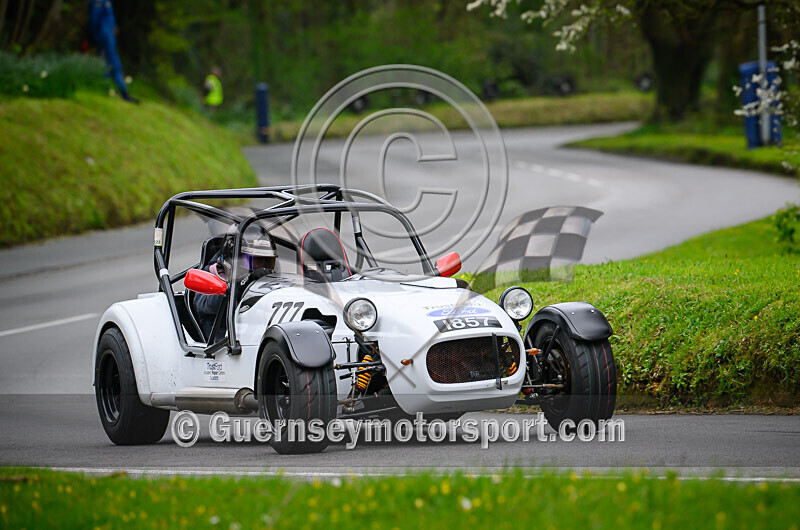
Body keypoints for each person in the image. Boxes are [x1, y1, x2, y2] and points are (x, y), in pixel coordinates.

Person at [193, 232, 277, 341]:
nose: (263, 267)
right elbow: (208, 305)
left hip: (261, 339)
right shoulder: (210, 276)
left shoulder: (265, 280)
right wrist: (239, 284)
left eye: (268, 261)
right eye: (256, 260)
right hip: (223, 348)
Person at [87, 0, 138, 103]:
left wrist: (113, 29)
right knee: (105, 65)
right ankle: (109, 90)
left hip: (108, 38)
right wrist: (94, 37)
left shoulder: (106, 1)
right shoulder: (99, 1)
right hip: (103, 38)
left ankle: (121, 92)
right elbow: (93, 20)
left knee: (113, 65)